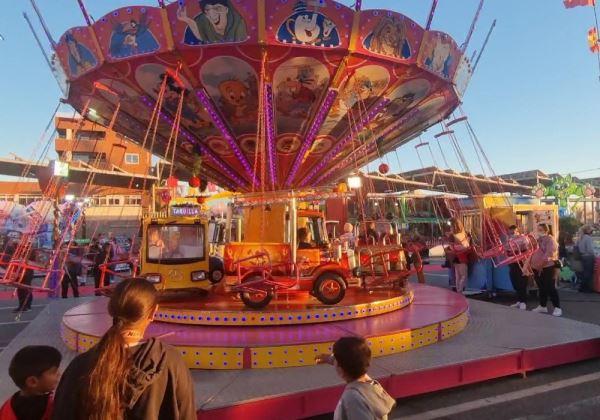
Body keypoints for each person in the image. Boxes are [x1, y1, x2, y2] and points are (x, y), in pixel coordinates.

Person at [53, 278, 196, 420]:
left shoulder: (80, 366)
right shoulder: (170, 362)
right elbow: (186, 413)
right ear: (153, 313)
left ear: (111, 309)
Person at [316, 336, 395, 420]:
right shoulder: (370, 384)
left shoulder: (353, 398)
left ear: (340, 368)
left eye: (336, 360)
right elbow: (350, 360)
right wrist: (330, 358)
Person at [0, 345, 62, 420]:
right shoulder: (48, 409)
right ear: (32, 381)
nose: (59, 374)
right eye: (54, 372)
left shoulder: (8, 405)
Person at [531, 224, 562, 316]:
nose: (538, 231)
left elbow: (549, 253)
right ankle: (542, 305)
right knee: (541, 287)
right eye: (538, 229)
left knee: (550, 287)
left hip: (548, 267)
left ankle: (557, 307)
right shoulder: (538, 240)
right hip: (537, 267)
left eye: (540, 230)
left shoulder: (550, 240)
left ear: (546, 230)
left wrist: (541, 264)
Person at [507, 225, 532, 310]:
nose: (512, 234)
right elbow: (508, 250)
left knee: (522, 282)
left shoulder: (523, 238)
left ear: (517, 231)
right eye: (510, 233)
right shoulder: (509, 239)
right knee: (514, 282)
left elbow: (528, 249)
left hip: (522, 263)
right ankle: (519, 300)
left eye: (513, 232)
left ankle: (523, 302)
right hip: (512, 263)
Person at [449, 217, 470, 294]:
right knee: (463, 276)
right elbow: (466, 246)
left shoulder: (452, 236)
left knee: (458, 276)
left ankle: (458, 290)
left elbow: (452, 247)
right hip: (462, 257)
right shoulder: (465, 234)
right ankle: (460, 291)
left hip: (455, 257)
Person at [577, 225, 595, 293]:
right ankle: (586, 288)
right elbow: (590, 249)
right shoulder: (588, 238)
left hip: (582, 256)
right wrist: (594, 254)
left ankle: (582, 287)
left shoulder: (581, 237)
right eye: (591, 230)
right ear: (588, 230)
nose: (592, 231)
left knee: (584, 273)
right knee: (588, 273)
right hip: (588, 257)